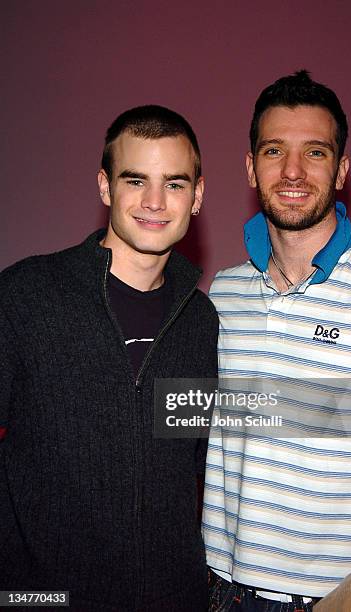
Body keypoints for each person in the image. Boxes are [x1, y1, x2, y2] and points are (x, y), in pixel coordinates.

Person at [0, 105, 218, 611]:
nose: (155, 202)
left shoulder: (201, 322)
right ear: (105, 187)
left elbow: (197, 463)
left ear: (198, 196)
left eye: (176, 184)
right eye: (135, 180)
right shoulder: (25, 297)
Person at [203, 70, 351, 611]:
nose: (292, 171)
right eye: (274, 150)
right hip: (221, 593)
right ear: (251, 167)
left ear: (341, 170)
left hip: (340, 601)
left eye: (315, 153)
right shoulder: (222, 292)